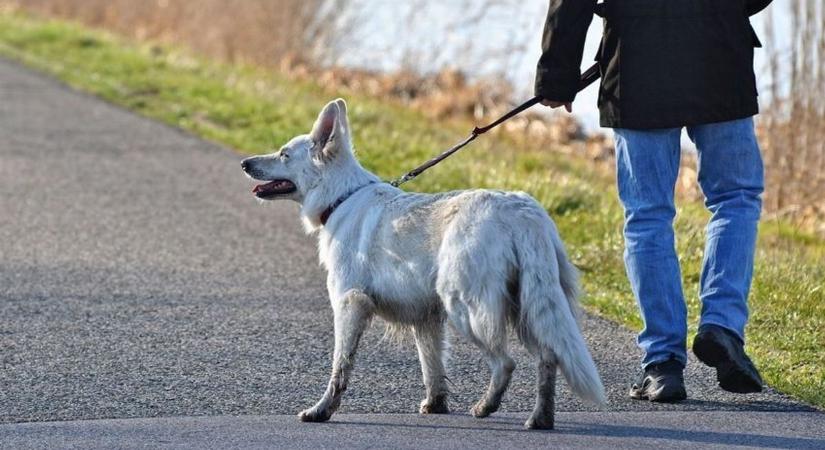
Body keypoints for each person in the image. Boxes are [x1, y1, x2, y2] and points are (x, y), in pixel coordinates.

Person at [535, 0, 772, 402]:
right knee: (735, 198)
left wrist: (557, 75)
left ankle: (662, 365)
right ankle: (722, 325)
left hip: (637, 63)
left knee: (647, 216)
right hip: (719, 52)